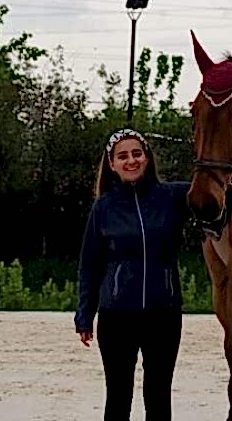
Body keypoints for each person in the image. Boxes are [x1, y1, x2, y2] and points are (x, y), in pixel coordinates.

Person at [74, 128, 190, 421]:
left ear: (147, 158)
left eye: (137, 153)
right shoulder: (104, 207)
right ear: (112, 164)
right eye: (122, 156)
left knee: (159, 396)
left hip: (163, 314)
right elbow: (90, 264)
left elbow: (220, 190)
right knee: (118, 397)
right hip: (116, 316)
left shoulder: (174, 196)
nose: (131, 161)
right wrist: (84, 315)